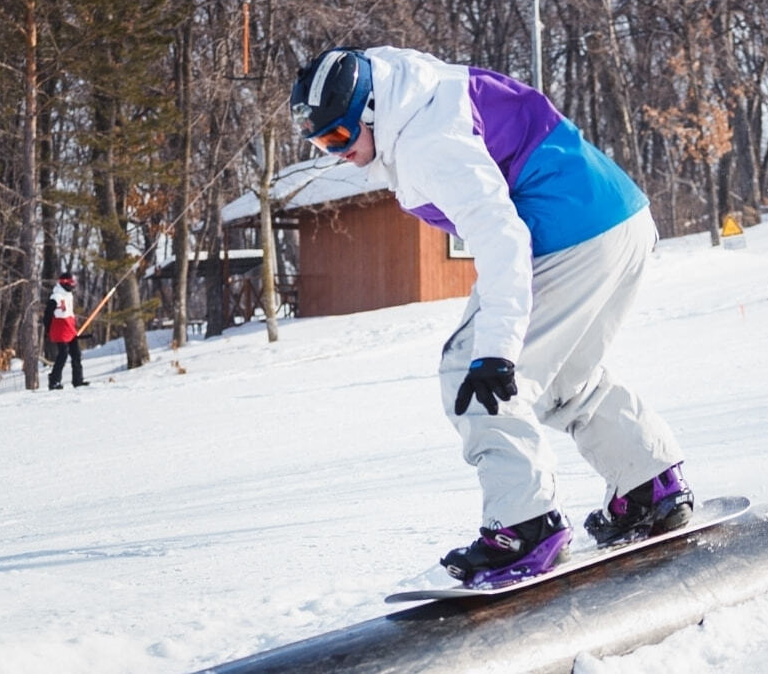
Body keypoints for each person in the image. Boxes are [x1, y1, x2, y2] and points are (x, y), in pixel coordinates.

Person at [290, 47, 693, 585]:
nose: (337, 153)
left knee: (474, 375)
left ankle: (525, 526)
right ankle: (648, 482)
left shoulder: (427, 141)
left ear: (368, 111)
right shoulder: (418, 91)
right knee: (560, 380)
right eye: (321, 143)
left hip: (567, 233)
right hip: (618, 220)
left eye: (339, 138)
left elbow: (502, 237)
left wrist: (496, 353)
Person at [43, 272, 89, 390]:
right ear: (65, 284)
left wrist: (74, 325)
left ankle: (78, 380)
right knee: (63, 354)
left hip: (69, 327)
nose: (73, 286)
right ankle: (54, 381)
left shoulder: (69, 295)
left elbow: (69, 313)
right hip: (60, 328)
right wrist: (48, 330)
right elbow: (47, 314)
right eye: (71, 284)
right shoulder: (56, 296)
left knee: (76, 354)